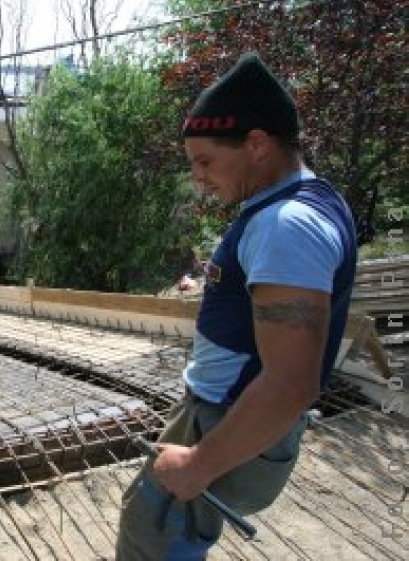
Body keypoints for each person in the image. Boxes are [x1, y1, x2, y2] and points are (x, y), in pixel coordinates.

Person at [116, 52, 357, 559]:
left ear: (256, 144)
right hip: (223, 412)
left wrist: (198, 464)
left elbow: (292, 381)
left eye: (204, 161)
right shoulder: (298, 203)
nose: (197, 177)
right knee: (167, 527)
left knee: (155, 531)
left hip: (230, 417)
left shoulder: (285, 225)